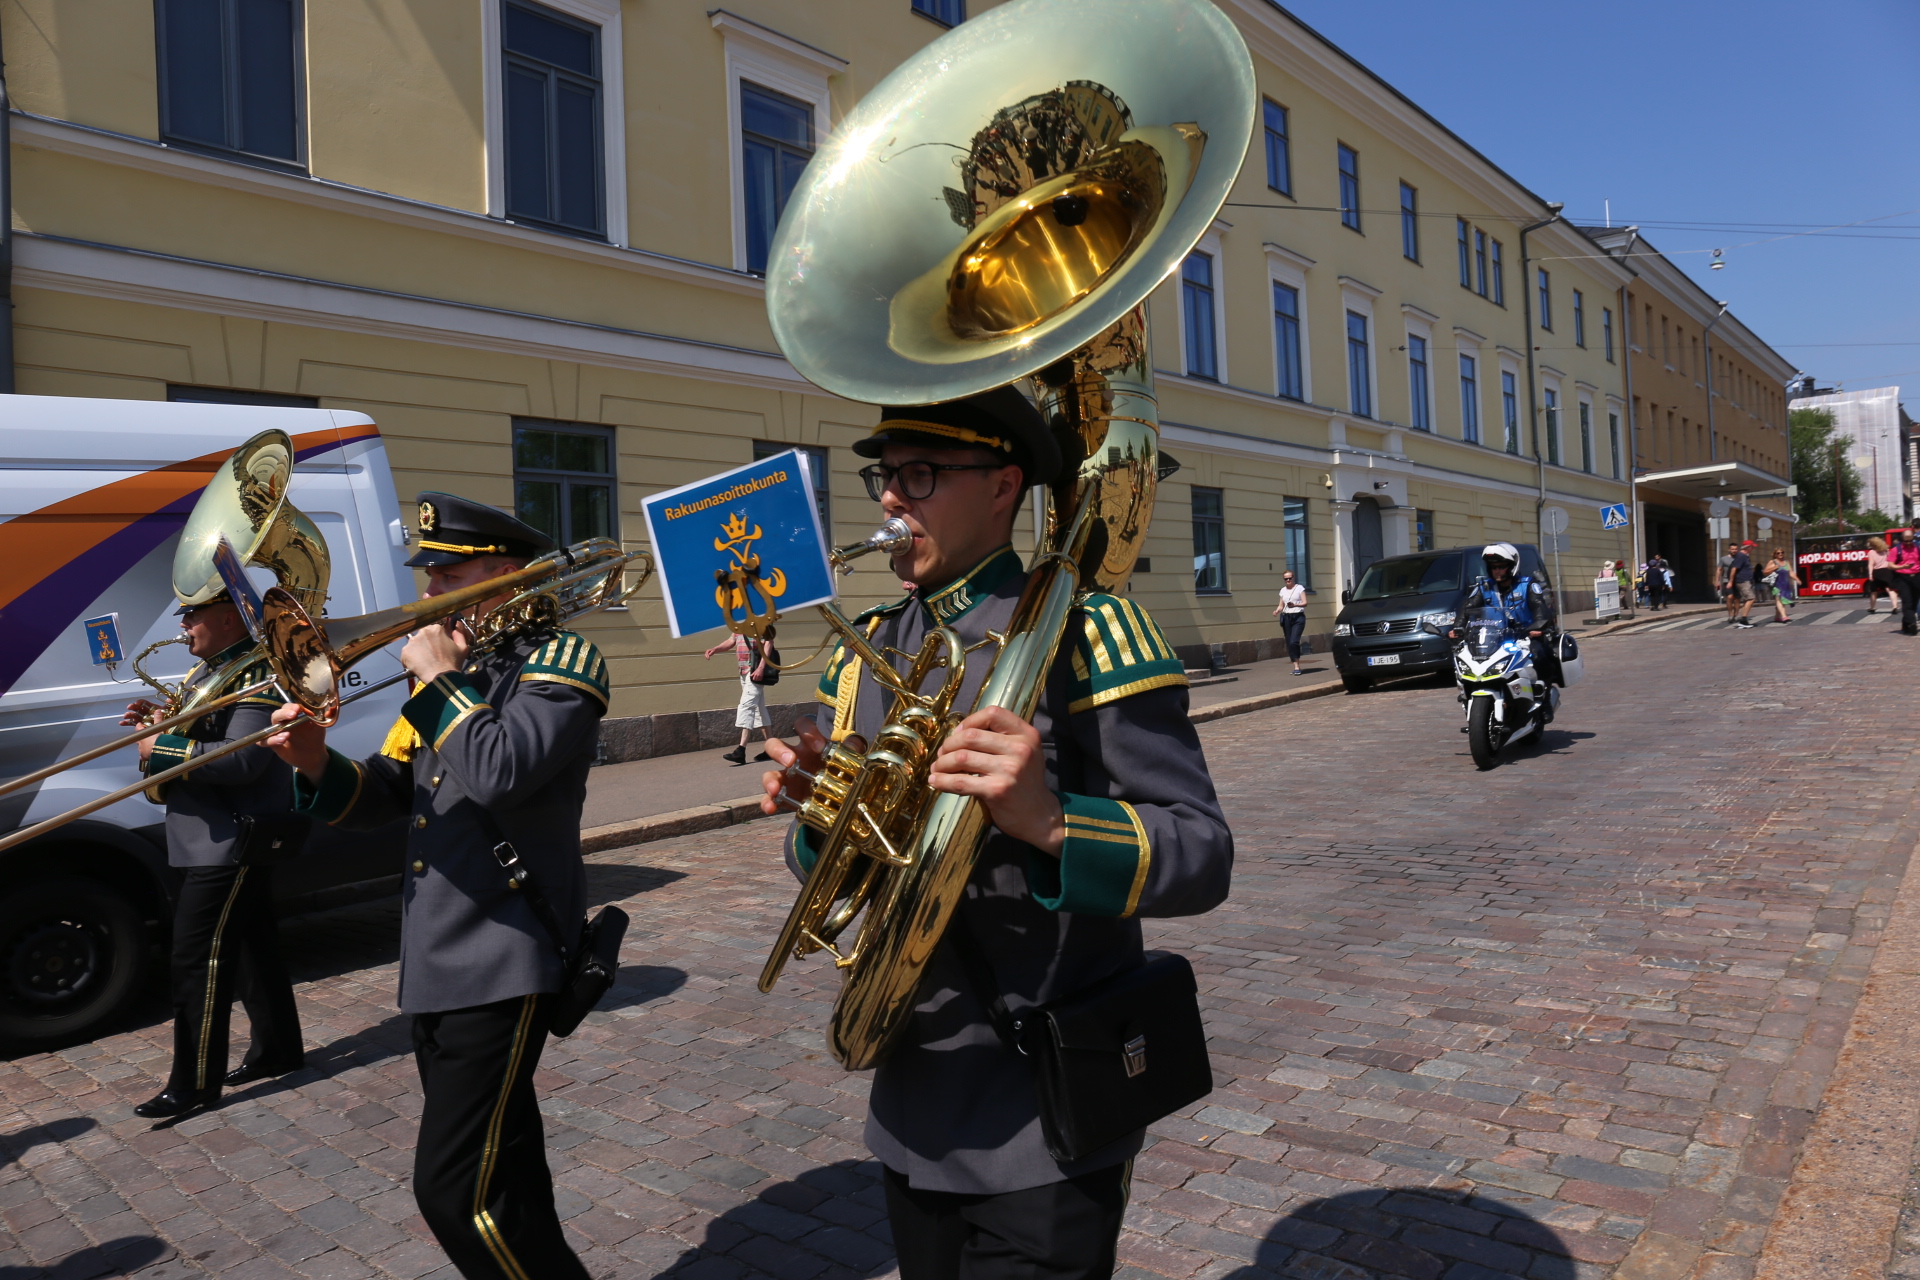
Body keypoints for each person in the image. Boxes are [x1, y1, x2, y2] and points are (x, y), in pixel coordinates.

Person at [760, 388, 1233, 1280]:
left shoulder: (1090, 630)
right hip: (910, 1098)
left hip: (1043, 1115)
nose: (894, 499)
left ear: (1005, 485)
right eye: (886, 477)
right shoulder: (865, 648)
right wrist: (821, 821)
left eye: (923, 475)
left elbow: (1202, 854)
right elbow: (830, 873)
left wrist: (1049, 822)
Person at [265, 493, 600, 1280]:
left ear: (508, 577)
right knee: (508, 1174)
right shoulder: (460, 677)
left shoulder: (562, 663)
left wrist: (442, 679)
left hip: (504, 956)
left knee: (452, 1192)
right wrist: (314, 760)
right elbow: (389, 793)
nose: (425, 596)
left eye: (446, 573)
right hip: (438, 958)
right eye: (428, 575)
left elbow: (499, 770)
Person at [124, 593, 304, 1120]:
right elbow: (207, 737)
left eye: (192, 614)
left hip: (227, 842)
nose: (182, 624)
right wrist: (161, 722)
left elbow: (244, 760)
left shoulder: (255, 674)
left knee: (195, 962)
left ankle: (194, 1083)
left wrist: (158, 746)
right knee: (253, 948)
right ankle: (277, 1049)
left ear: (228, 618)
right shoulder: (210, 673)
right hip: (212, 836)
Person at [1450, 542, 1563, 697]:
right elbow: (1467, 608)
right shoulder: (1484, 587)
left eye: (1501, 566)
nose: (1496, 571)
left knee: (1540, 656)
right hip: (1495, 636)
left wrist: (1538, 626)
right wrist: (1458, 627)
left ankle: (1544, 696)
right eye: (1493, 567)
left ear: (1512, 566)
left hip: (1525, 635)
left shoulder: (1527, 585)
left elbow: (1539, 607)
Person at [705, 627, 773, 764]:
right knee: (759, 710)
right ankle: (772, 749)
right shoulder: (740, 624)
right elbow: (732, 640)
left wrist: (761, 667)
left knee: (746, 706)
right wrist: (716, 649)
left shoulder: (762, 621)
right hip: (744, 671)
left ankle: (741, 750)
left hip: (755, 671)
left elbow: (769, 643)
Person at [1271, 570, 1309, 674]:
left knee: (1294, 641)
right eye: (1286, 579)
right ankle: (1296, 666)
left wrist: (1295, 605)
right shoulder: (1283, 590)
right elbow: (1281, 605)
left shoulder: (1299, 588)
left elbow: (1305, 603)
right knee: (1289, 642)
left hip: (1298, 617)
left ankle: (1297, 665)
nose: (1288, 580)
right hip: (1286, 617)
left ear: (1293, 578)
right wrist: (1277, 611)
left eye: (1290, 578)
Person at [1890, 530, 1920, 636]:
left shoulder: (1918, 548)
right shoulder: (1896, 550)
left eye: (1910, 540)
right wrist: (1902, 566)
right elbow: (1890, 565)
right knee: (1907, 601)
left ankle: (1905, 623)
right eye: (1905, 540)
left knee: (1915, 602)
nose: (1908, 542)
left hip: (1917, 577)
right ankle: (1912, 624)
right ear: (1902, 539)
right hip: (1902, 578)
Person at [1727, 541, 1758, 629]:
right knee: (1751, 598)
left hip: (1746, 581)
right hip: (1743, 581)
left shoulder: (1744, 556)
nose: (1753, 549)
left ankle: (1743, 619)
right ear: (1747, 547)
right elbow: (1734, 569)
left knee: (1747, 600)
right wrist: (1730, 581)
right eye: (1752, 547)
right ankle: (1743, 620)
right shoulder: (1741, 556)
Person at [1761, 552, 1793, 624]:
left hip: (1785, 584)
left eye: (1782, 553)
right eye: (1778, 553)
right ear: (1775, 555)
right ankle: (1784, 616)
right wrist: (1774, 568)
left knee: (1782, 601)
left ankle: (1777, 617)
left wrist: (1796, 579)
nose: (1780, 554)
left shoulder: (1786, 562)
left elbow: (1790, 572)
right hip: (1776, 584)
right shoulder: (1773, 562)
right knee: (1779, 600)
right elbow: (1765, 572)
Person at [1865, 536, 1893, 614]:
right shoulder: (1887, 550)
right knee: (1890, 589)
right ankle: (1895, 606)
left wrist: (1870, 574)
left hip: (1877, 572)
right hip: (1887, 571)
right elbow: (1891, 561)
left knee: (1874, 591)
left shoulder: (1871, 552)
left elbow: (1871, 564)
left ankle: (1872, 608)